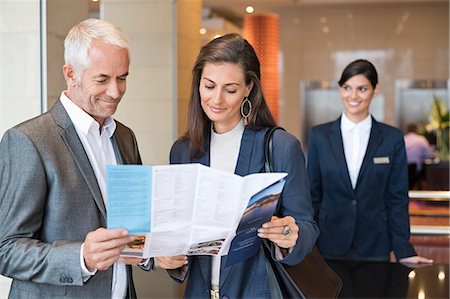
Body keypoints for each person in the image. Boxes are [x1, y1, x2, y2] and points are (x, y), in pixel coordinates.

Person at [157, 33, 319, 298]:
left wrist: (290, 235)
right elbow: (178, 233)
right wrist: (167, 254)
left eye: (230, 89)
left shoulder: (280, 146)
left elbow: (307, 227)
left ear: (248, 89)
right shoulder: (183, 151)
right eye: (209, 86)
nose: (217, 99)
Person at [0, 18, 150, 298]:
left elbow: (134, 230)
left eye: (122, 77)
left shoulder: (125, 137)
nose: (115, 92)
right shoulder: (28, 140)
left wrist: (150, 253)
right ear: (71, 74)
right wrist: (81, 257)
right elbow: (6, 249)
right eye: (102, 79)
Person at [306, 59, 433, 264]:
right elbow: (313, 195)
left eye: (362, 88)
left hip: (375, 243)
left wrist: (404, 250)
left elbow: (397, 198)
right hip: (328, 242)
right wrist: (307, 245)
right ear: (340, 89)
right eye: (347, 88)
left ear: (376, 89)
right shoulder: (319, 136)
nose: (353, 96)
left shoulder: (391, 138)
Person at [404, 123, 433, 189]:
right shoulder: (421, 139)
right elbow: (428, 155)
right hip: (416, 171)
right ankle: (422, 193)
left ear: (407, 130)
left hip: (404, 171)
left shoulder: (403, 139)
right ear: (416, 130)